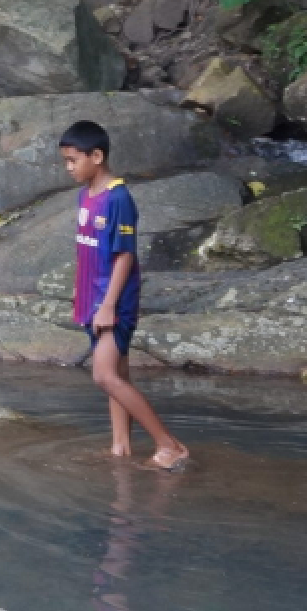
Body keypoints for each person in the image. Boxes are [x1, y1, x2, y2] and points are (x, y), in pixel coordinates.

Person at [59, 120, 189, 471]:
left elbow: (124, 255)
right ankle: (120, 447)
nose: (69, 167)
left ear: (97, 156)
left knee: (104, 375)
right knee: (118, 376)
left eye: (73, 160)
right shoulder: (84, 195)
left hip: (113, 303)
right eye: (66, 161)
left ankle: (169, 446)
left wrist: (109, 305)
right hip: (91, 300)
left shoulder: (119, 199)